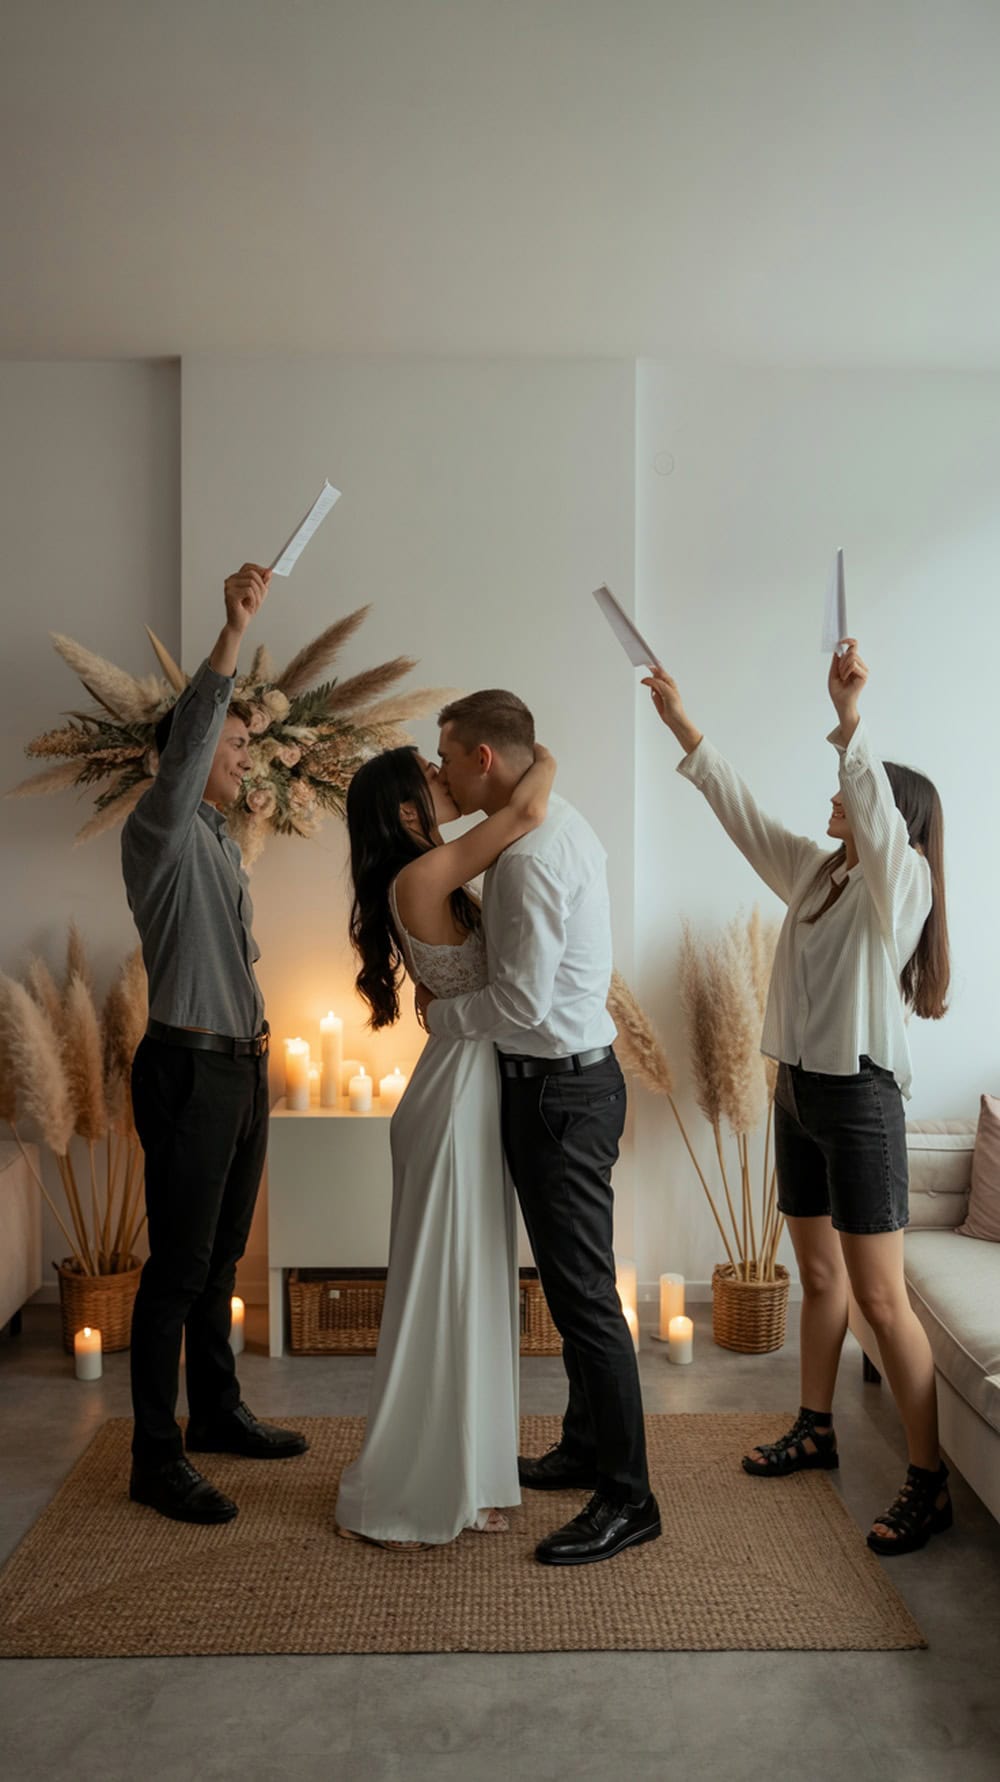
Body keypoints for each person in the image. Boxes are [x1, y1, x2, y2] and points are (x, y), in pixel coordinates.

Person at [643, 640, 952, 1556]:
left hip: (860, 1100)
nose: (834, 800)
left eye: (853, 791)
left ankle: (928, 1483)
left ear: (883, 812)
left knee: (881, 1302)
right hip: (798, 1092)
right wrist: (683, 726)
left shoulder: (903, 885)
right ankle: (814, 1429)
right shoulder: (822, 877)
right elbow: (743, 815)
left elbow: (878, 821)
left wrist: (851, 721)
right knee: (817, 1279)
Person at [417, 690, 661, 1568]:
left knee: (585, 1299)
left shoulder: (523, 860)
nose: (439, 772)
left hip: (558, 1093)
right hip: (575, 1086)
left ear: (483, 758)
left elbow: (518, 1001)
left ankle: (628, 1499)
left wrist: (437, 1017)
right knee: (576, 1291)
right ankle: (586, 1448)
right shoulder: (563, 821)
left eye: (446, 756)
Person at [334, 740, 557, 1549]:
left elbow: (445, 985)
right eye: (431, 777)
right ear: (404, 812)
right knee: (450, 1288)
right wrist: (537, 748)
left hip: (465, 1081)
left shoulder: (428, 876)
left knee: (471, 1283)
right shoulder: (421, 876)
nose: (444, 778)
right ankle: (434, 1484)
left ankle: (469, 1474)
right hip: (456, 1091)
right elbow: (526, 808)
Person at [123, 563, 306, 1526]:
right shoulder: (159, 827)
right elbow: (196, 733)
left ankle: (218, 1414)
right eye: (236, 746)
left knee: (222, 1258)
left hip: (238, 1068)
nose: (245, 758)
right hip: (189, 1069)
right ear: (188, 760)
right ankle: (155, 1457)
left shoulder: (222, 845)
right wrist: (232, 636)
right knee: (179, 1267)